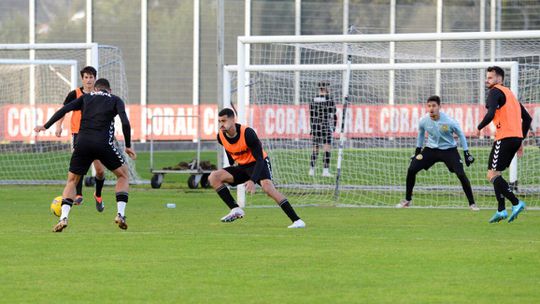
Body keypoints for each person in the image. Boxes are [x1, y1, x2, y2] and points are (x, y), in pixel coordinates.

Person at [35, 78, 136, 232]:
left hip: (82, 144)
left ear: (95, 89)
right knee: (123, 175)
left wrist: (45, 126)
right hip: (103, 145)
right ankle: (120, 214)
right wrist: (128, 145)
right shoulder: (115, 99)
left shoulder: (86, 97)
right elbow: (125, 123)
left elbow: (64, 110)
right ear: (109, 90)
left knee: (72, 181)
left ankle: (64, 217)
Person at [208, 108, 306, 228]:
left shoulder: (248, 133)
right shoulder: (220, 136)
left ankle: (297, 220)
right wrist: (231, 165)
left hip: (259, 163)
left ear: (233, 120)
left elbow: (260, 159)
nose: (221, 124)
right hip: (242, 166)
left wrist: (252, 180)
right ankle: (235, 209)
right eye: (219, 121)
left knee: (268, 188)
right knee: (214, 177)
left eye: (223, 121)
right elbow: (229, 150)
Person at [396, 95, 478, 210]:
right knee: (411, 169)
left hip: (449, 150)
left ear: (439, 107)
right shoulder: (423, 120)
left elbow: (461, 135)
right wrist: (417, 152)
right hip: (431, 149)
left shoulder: (449, 121)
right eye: (429, 106)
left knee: (460, 174)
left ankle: (472, 204)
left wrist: (466, 153)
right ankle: (407, 200)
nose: (431, 108)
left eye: (434, 106)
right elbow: (420, 135)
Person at [476, 66, 532, 223]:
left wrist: (479, 127)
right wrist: (520, 140)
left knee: (491, 174)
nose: (487, 81)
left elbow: (491, 113)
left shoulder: (495, 91)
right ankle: (501, 210)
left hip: (504, 138)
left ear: (499, 79)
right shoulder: (511, 95)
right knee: (497, 173)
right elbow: (527, 119)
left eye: (490, 78)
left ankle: (516, 202)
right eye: (487, 78)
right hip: (514, 139)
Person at [55, 66, 107, 212]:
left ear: (95, 79)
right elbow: (63, 110)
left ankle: (98, 195)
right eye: (86, 77)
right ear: (82, 79)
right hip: (78, 134)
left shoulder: (100, 95)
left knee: (100, 171)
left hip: (96, 135)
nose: (89, 80)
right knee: (78, 167)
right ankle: (78, 194)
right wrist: (58, 126)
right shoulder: (75, 94)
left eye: (91, 77)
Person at [309, 81, 336, 177]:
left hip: (316, 126)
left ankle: (311, 170)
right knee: (327, 148)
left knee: (315, 149)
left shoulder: (313, 99)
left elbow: (311, 115)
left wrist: (311, 128)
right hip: (325, 125)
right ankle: (325, 171)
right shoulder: (329, 99)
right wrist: (335, 127)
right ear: (326, 88)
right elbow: (333, 113)